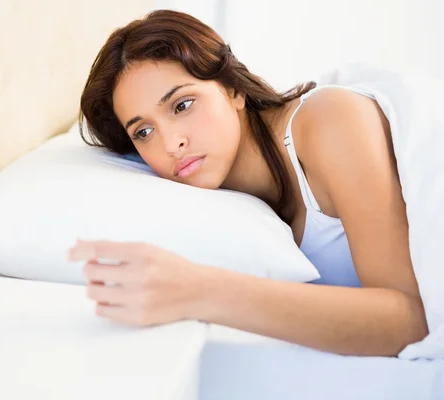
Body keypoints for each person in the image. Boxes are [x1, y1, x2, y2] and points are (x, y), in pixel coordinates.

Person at [67, 9, 428, 357]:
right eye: (143, 131)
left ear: (233, 90)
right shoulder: (226, 206)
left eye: (182, 105)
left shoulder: (329, 121)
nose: (170, 144)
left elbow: (412, 321)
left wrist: (200, 291)